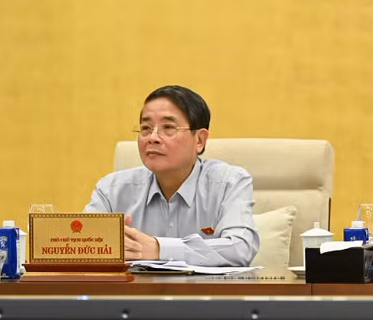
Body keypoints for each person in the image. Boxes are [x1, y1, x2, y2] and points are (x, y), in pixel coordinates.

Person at [85, 85, 259, 267]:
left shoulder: (229, 182)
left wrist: (159, 249)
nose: (153, 138)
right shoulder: (112, 190)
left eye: (168, 127)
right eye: (145, 128)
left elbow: (240, 248)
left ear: (199, 140)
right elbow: (80, 245)